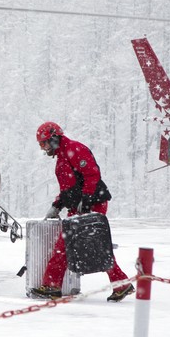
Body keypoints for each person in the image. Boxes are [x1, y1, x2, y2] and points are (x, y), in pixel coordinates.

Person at [30, 121, 135, 302]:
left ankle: (51, 286)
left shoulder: (74, 149)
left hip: (92, 204)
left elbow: (92, 174)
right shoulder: (63, 156)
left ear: (54, 137)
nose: (43, 148)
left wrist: (86, 200)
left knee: (67, 246)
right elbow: (68, 188)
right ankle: (121, 285)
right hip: (80, 206)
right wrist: (57, 205)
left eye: (44, 143)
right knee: (93, 245)